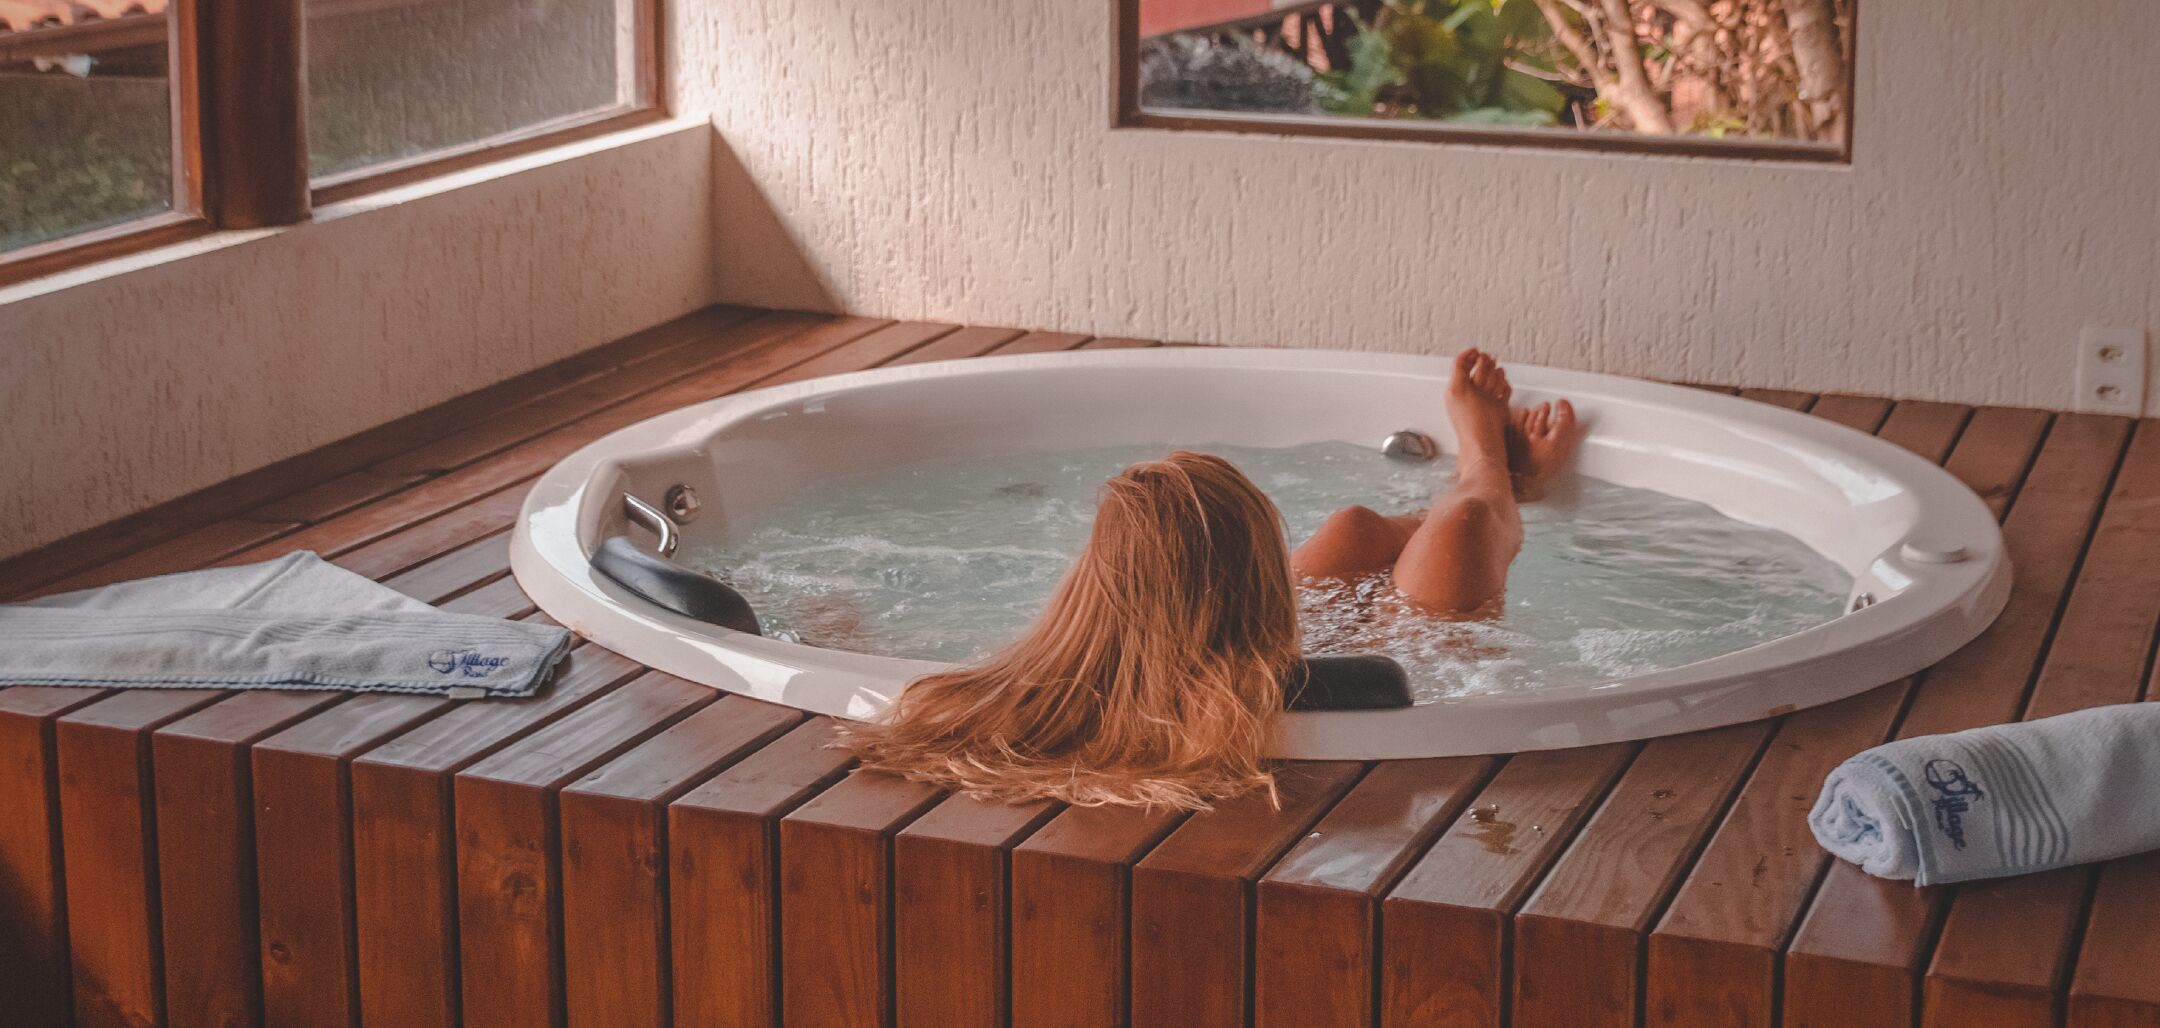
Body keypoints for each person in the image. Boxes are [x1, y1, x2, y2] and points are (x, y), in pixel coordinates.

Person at [847, 350, 1579, 809]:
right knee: (1466, 529)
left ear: (1096, 581)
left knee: (1356, 526)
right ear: (1255, 580)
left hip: (1245, 652)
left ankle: (1491, 484)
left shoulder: (1033, 680)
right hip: (1412, 657)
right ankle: (1492, 471)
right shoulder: (1288, 693)